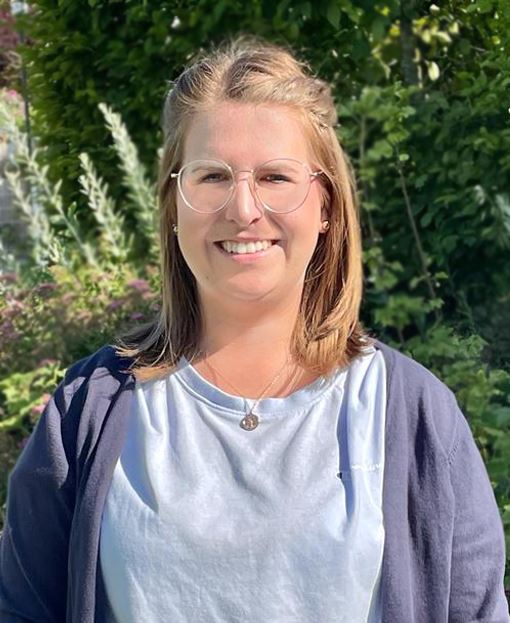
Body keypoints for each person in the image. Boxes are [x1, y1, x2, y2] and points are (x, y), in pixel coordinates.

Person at [0, 38, 508, 623]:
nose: (243, 209)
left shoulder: (415, 416)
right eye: (213, 176)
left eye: (274, 177)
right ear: (173, 204)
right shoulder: (88, 413)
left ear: (326, 206)